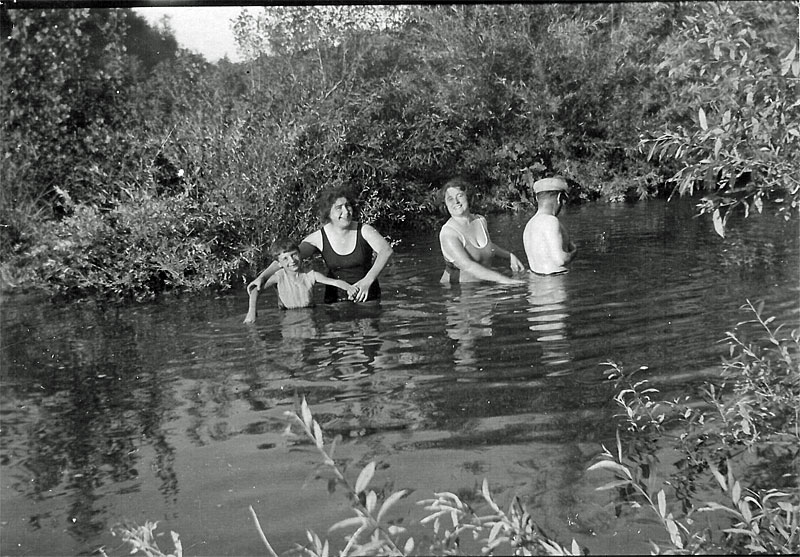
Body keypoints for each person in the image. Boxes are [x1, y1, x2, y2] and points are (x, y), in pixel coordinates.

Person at [247, 186, 393, 305]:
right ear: (328, 213)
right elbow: (289, 257)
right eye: (339, 208)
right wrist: (262, 277)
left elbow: (386, 251)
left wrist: (367, 281)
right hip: (336, 300)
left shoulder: (364, 230)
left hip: (367, 295)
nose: (346, 211)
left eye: (348, 206)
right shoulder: (318, 237)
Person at [243, 239, 357, 323]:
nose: (292, 261)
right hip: (288, 316)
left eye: (294, 255)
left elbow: (335, 282)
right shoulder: (279, 277)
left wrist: (349, 288)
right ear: (279, 264)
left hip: (310, 314)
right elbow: (255, 290)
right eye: (285, 258)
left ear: (300, 254)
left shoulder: (311, 275)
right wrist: (252, 311)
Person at [438, 177, 526, 284]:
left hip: (483, 286)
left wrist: (509, 256)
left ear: (468, 196)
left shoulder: (480, 220)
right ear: (445, 204)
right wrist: (505, 280)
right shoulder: (448, 233)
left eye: (459, 196)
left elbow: (489, 247)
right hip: (458, 290)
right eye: (450, 199)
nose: (456, 202)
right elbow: (468, 266)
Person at [523, 176, 577, 275]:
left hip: (537, 280)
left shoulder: (530, 224)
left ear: (537, 198)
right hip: (556, 281)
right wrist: (574, 252)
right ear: (559, 198)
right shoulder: (551, 221)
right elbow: (560, 260)